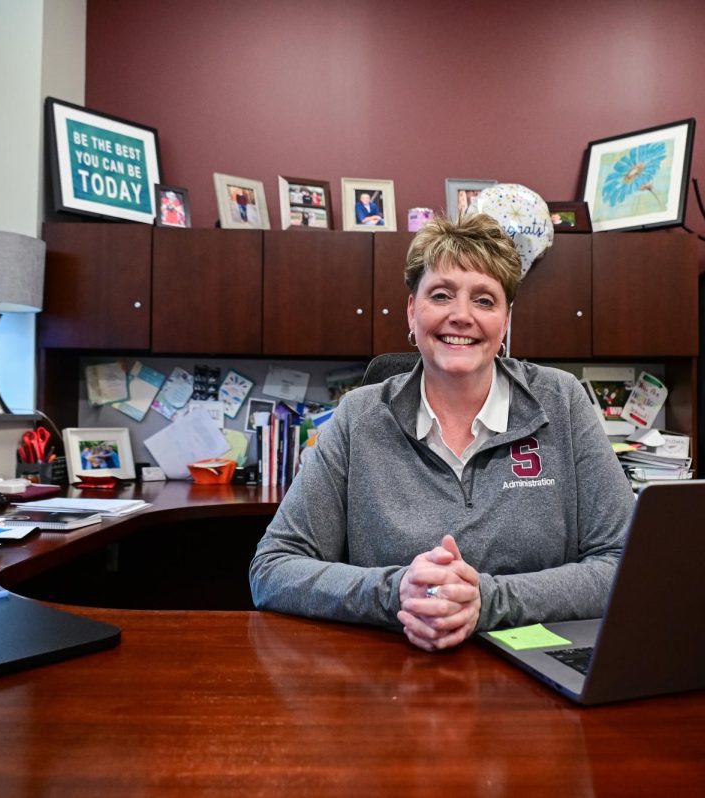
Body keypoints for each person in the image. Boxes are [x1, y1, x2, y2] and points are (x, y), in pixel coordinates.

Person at [249, 212, 635, 652]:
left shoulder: (561, 402)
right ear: (413, 311)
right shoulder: (358, 416)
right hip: (387, 681)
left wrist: (486, 600)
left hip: (540, 679)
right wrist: (397, 593)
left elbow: (625, 565)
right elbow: (272, 570)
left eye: (485, 300)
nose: (461, 315)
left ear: (506, 322)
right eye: (441, 295)